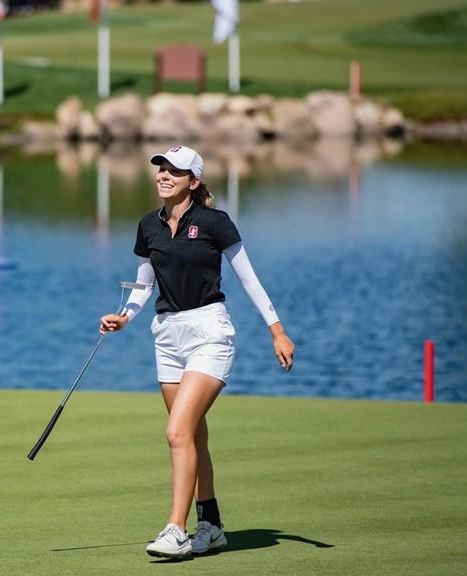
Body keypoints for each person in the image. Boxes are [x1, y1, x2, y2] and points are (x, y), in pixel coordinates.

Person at [99, 144, 294, 560]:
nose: (164, 176)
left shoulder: (214, 222)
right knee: (192, 434)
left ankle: (176, 530)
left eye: (175, 170)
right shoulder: (148, 226)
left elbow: (249, 280)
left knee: (176, 432)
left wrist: (277, 330)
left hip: (209, 332)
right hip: (166, 337)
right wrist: (124, 317)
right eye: (161, 169)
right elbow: (143, 286)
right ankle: (212, 525)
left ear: (194, 180)